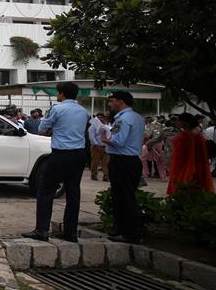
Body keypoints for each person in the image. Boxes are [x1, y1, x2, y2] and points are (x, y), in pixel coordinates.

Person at [22, 81, 89, 242]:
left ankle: (42, 230)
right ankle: (70, 232)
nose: (57, 95)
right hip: (79, 154)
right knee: (73, 192)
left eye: (58, 93)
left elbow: (42, 129)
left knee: (45, 190)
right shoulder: (83, 111)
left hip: (61, 154)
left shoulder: (57, 109)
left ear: (62, 94)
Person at [101, 90, 146, 244]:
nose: (110, 104)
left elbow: (118, 141)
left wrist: (104, 139)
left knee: (123, 198)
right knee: (124, 196)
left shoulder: (123, 119)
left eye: (112, 101)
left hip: (122, 161)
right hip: (132, 160)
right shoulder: (137, 117)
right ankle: (122, 230)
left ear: (120, 101)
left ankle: (130, 233)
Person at [166, 113, 214, 195]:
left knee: (184, 190)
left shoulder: (185, 136)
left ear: (185, 123)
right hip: (197, 166)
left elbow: (181, 155)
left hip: (184, 167)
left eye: (178, 120)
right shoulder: (197, 135)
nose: (176, 122)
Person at [88, 112, 110, 181]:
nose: (100, 119)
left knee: (106, 163)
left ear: (104, 118)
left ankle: (106, 176)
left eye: (101, 117)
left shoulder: (107, 126)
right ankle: (94, 175)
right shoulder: (93, 126)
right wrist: (96, 144)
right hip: (96, 146)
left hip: (106, 146)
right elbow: (91, 136)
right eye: (98, 117)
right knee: (95, 162)